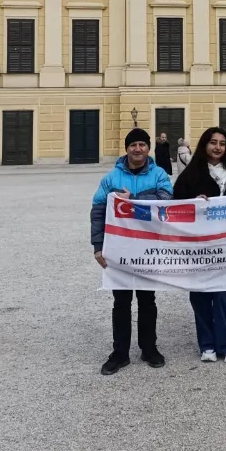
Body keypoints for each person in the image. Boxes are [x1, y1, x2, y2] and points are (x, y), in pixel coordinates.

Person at [90, 128, 172, 375]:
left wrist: (131, 200)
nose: (138, 149)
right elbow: (97, 210)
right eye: (133, 145)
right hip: (118, 247)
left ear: (149, 148)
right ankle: (120, 352)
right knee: (121, 302)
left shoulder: (159, 174)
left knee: (148, 300)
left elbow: (166, 200)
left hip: (148, 247)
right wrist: (97, 246)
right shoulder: (111, 178)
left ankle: (149, 348)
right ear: (126, 148)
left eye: (142, 145)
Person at [173, 127, 226, 364]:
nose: (217, 147)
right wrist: (193, 203)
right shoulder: (190, 175)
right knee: (199, 295)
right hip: (198, 245)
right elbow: (175, 207)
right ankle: (207, 344)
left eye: (222, 143)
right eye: (213, 142)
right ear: (204, 145)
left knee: (223, 295)